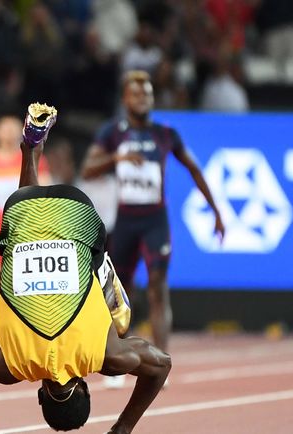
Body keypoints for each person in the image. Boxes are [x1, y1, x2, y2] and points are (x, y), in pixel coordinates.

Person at [0, 103, 170, 434]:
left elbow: (161, 364)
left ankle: (32, 148)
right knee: (27, 232)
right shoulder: (10, 365)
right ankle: (31, 150)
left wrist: (122, 428)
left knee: (111, 303)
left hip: (77, 212)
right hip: (20, 211)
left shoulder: (106, 356)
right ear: (41, 396)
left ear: (84, 387)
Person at [80, 70, 225, 359]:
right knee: (119, 291)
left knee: (158, 286)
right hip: (126, 221)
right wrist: (116, 157)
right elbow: (87, 169)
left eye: (147, 93)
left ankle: (161, 358)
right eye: (136, 93)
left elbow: (194, 169)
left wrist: (216, 211)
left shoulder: (165, 134)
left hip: (155, 220)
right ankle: (115, 354)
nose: (142, 99)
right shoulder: (113, 133)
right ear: (125, 99)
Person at [0, 115, 50, 334]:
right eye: (4, 128)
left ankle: (29, 335)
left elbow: (46, 196)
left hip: (25, 228)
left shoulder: (34, 159)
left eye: (14, 128)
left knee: (27, 287)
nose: (9, 132)